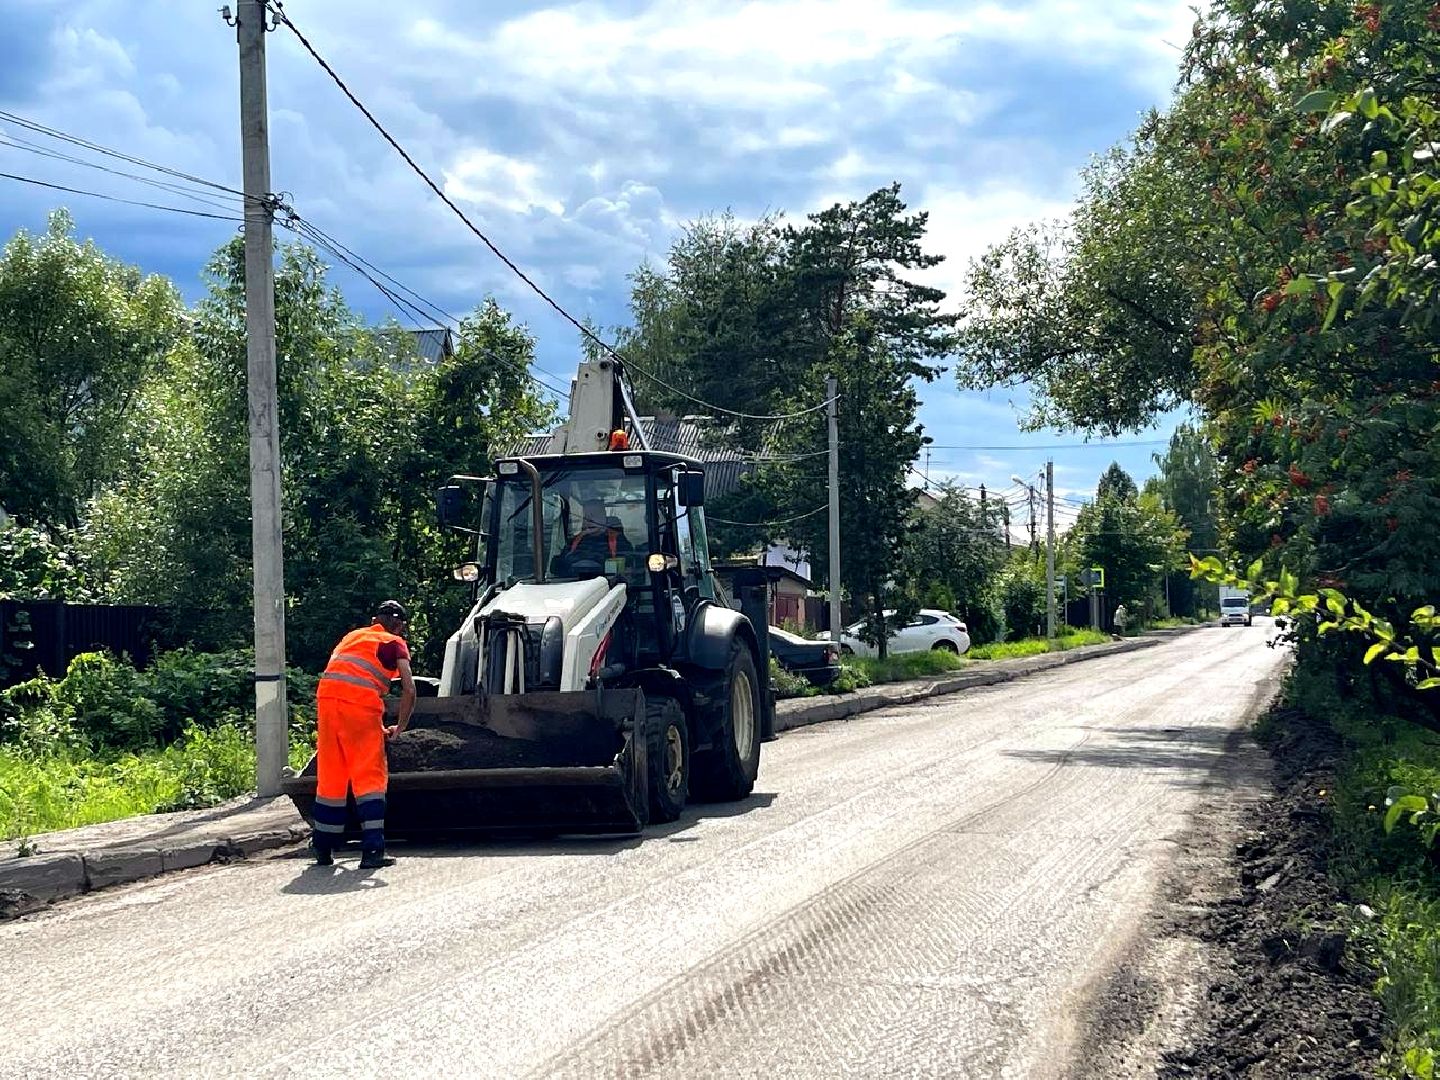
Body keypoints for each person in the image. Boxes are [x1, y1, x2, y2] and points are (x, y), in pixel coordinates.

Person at [310, 600, 416, 869]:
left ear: (373, 620)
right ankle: (372, 852)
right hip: (359, 708)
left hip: (327, 704)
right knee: (369, 777)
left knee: (331, 776)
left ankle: (323, 848)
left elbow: (348, 676)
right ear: (400, 626)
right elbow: (409, 689)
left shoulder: (353, 637)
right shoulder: (394, 643)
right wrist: (401, 726)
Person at [562, 496, 632, 573]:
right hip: (576, 582)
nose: (590, 520)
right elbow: (558, 567)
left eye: (594, 515)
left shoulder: (618, 540)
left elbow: (630, 563)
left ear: (604, 517)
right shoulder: (574, 541)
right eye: (586, 516)